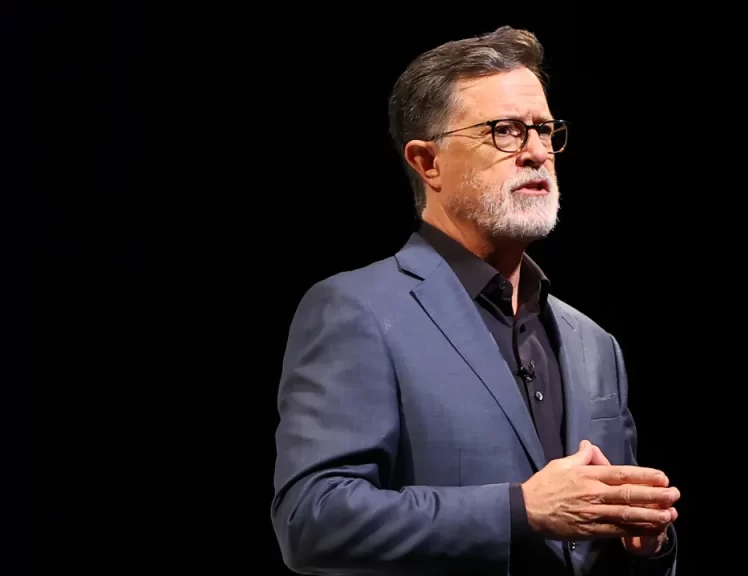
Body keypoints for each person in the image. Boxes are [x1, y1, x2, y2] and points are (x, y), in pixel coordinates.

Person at [271, 26, 680, 575]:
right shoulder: (357, 310)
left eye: (544, 130)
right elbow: (313, 520)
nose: (537, 152)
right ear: (428, 162)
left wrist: (647, 545)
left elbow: (599, 541)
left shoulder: (594, 342)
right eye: (505, 131)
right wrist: (520, 510)